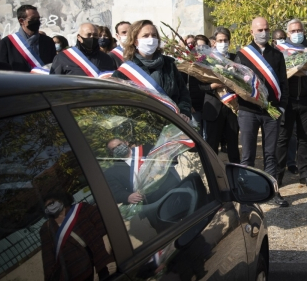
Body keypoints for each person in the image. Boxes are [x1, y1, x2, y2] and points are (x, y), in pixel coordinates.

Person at [235, 16, 290, 206]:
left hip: (271, 111)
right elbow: (235, 83)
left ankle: (272, 192)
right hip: (248, 111)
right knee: (248, 154)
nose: (264, 33)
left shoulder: (277, 55)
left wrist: (281, 106)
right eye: (259, 30)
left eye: (266, 29)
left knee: (270, 154)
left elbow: (284, 83)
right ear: (252, 32)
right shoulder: (242, 55)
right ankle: (247, 193)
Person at [111, 20, 192, 120]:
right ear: (135, 41)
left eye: (154, 35)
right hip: (143, 126)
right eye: (145, 36)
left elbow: (183, 93)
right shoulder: (125, 71)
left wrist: (184, 112)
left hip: (173, 123)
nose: (151, 39)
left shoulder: (169, 64)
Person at [276, 19, 307, 188]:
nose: (297, 33)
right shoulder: (280, 51)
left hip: (306, 100)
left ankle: (304, 174)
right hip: (287, 101)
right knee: (283, 139)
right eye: (293, 31)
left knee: (305, 139)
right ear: (288, 34)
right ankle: (278, 176)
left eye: (299, 30)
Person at [40, 191, 115, 281]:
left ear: (60, 200)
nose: (50, 207)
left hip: (101, 255)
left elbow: (102, 225)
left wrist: (107, 245)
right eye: (46, 206)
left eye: (52, 203)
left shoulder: (82, 208)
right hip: (78, 270)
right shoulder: (47, 228)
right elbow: (48, 258)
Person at [197, 27, 240, 163]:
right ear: (214, 42)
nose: (223, 43)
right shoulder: (206, 59)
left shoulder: (235, 58)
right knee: (212, 144)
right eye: (220, 40)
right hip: (213, 108)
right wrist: (212, 86)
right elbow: (198, 86)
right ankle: (213, 174)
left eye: (225, 40)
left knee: (233, 144)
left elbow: (243, 79)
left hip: (232, 107)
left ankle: (237, 174)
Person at [0, 4, 56, 72]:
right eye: (33, 19)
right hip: (17, 81)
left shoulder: (48, 41)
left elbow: (53, 65)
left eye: (38, 18)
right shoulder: (7, 42)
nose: (37, 21)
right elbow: (3, 70)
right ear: (21, 21)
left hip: (42, 81)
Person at [272, 28, 298, 174]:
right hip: (275, 101)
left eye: (283, 38)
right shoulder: (271, 56)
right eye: (279, 39)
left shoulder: (293, 54)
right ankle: (276, 165)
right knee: (278, 135)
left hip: (291, 99)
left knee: (292, 134)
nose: (282, 41)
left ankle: (291, 162)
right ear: (273, 41)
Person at [50, 23, 117, 75]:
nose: (92, 37)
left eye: (95, 35)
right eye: (88, 35)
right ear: (79, 37)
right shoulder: (63, 57)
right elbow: (54, 83)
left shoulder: (106, 58)